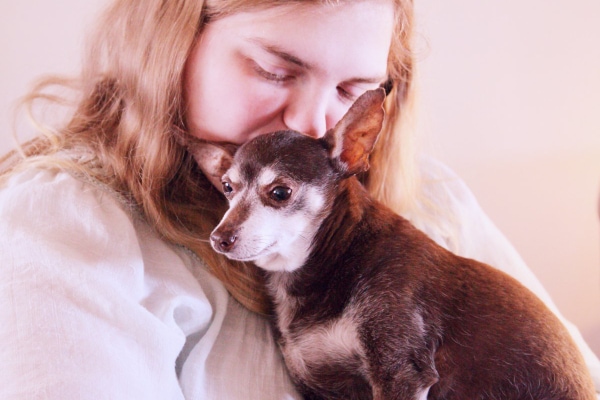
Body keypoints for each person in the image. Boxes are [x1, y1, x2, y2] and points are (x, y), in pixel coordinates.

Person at [0, 0, 598, 398]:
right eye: (276, 71)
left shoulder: (433, 204)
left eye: (350, 89)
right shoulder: (71, 224)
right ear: (171, 42)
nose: (313, 124)